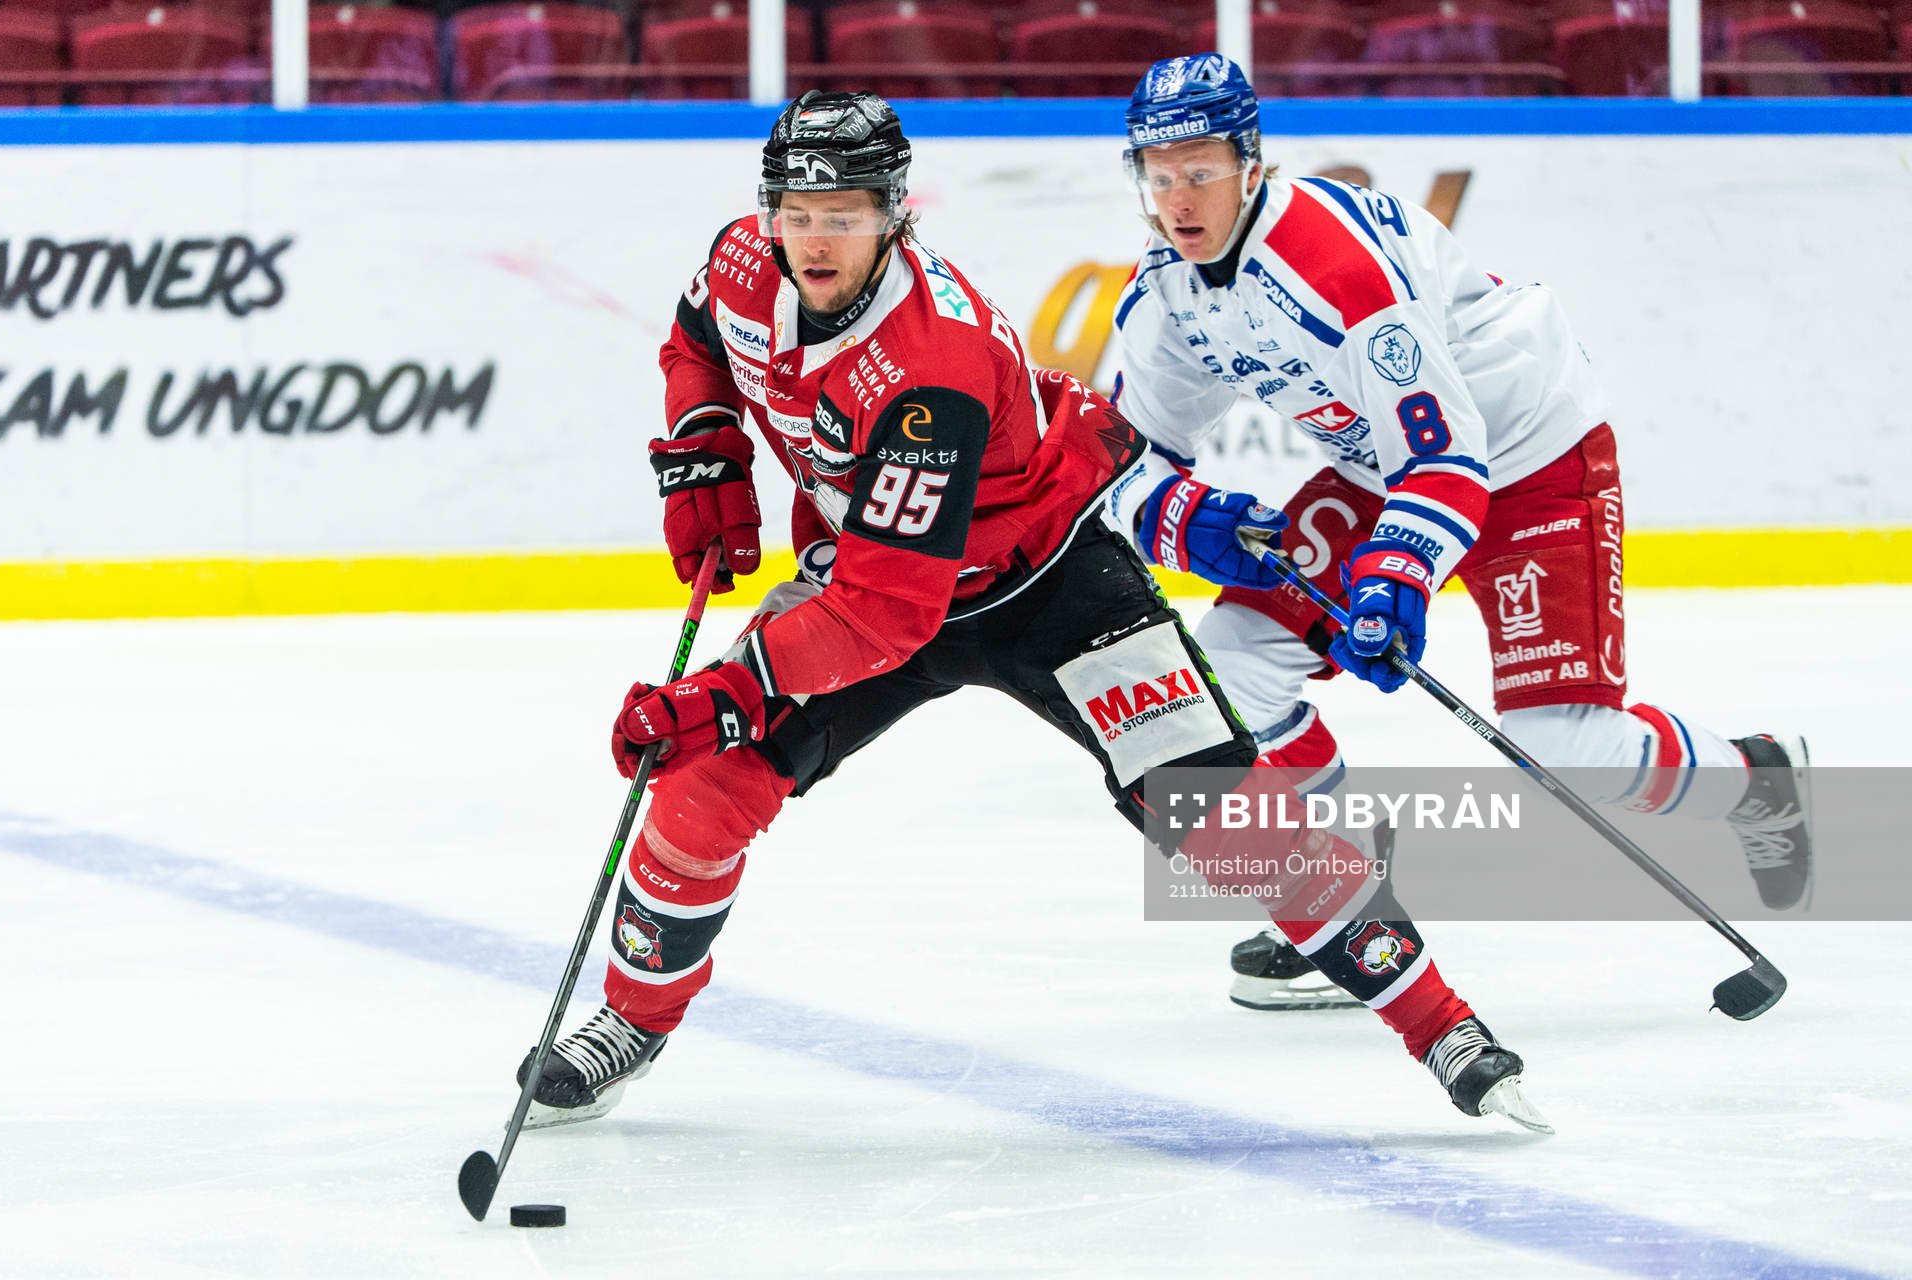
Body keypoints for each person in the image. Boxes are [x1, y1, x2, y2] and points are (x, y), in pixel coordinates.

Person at [516, 89, 1546, 1135]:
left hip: (1041, 576)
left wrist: (732, 690)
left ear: (897, 213)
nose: (816, 238)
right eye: (798, 211)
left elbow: (882, 618)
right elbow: (699, 332)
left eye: (848, 215)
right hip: (874, 570)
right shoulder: (744, 258)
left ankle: (1442, 1024)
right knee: (702, 787)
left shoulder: (929, 371)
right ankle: (629, 1017)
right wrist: (702, 442)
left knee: (1220, 815)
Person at [1104, 55, 1816, 1013]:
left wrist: (1394, 580)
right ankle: (1355, 906)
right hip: (1377, 466)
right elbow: (1121, 461)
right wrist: (1184, 523)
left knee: (1564, 746)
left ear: (1251, 162)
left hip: (1529, 456)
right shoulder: (1167, 295)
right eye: (1159, 173)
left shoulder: (1332, 269)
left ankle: (1753, 778)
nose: (1179, 198)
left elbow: (1446, 460)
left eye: (1200, 169)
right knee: (1234, 661)